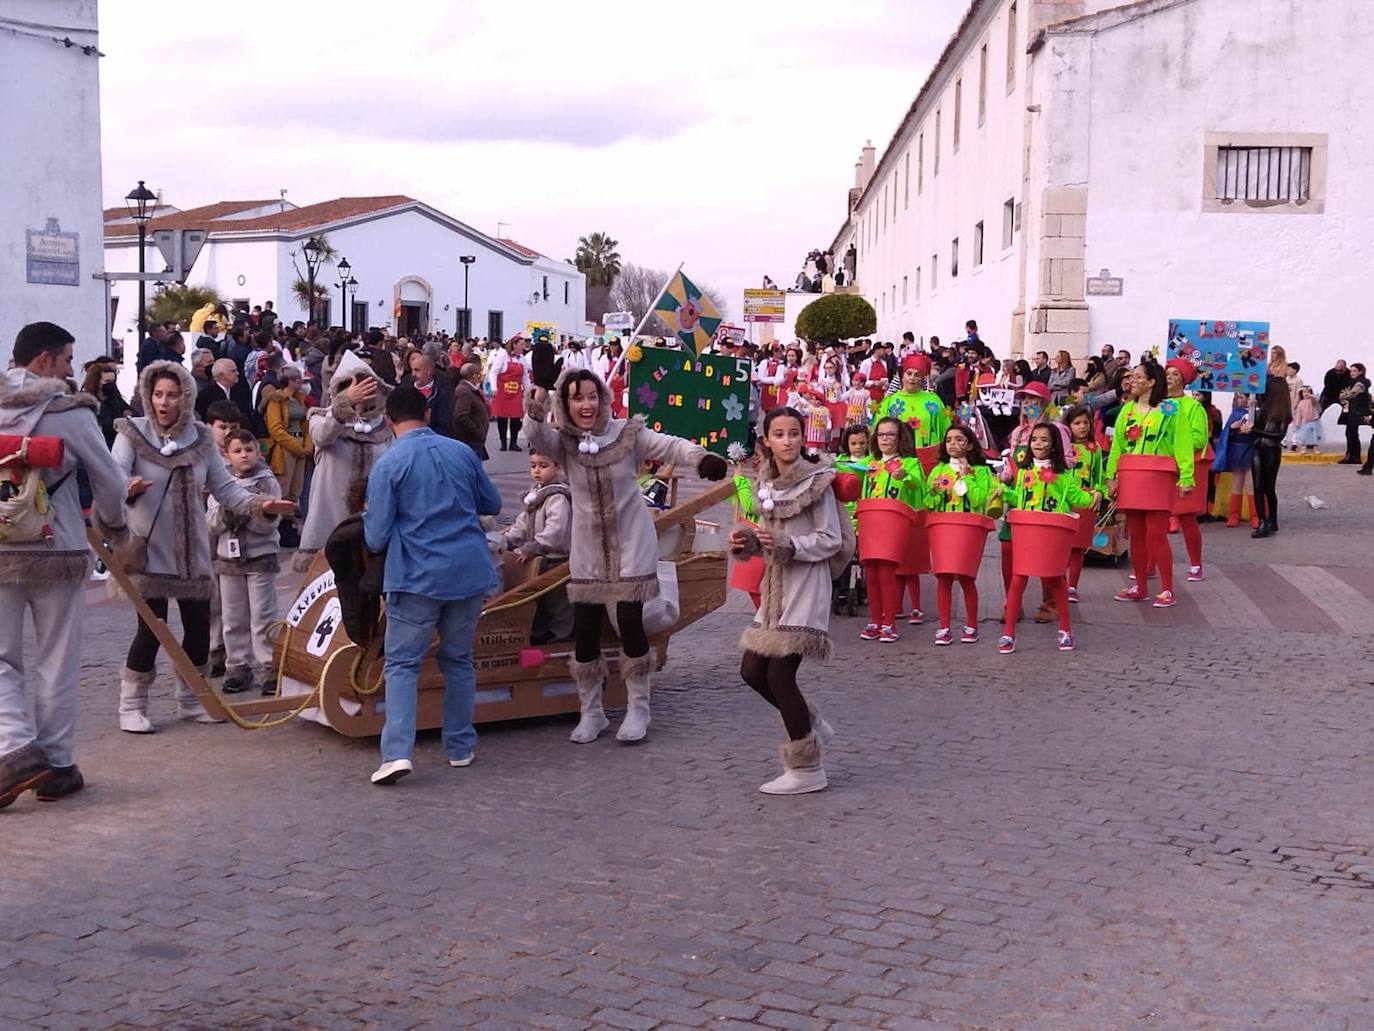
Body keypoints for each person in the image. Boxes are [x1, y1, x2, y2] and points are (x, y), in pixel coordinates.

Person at [522, 352, 728, 745]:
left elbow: (669, 445)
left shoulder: (626, 434)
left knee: (631, 621)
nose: (585, 405)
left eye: (591, 396)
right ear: (565, 405)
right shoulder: (563, 443)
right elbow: (532, 434)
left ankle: (637, 709)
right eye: (575, 398)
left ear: (602, 396)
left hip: (632, 542)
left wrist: (701, 458)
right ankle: (592, 712)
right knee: (585, 628)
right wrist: (542, 392)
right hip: (587, 549)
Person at [112, 362, 296, 732]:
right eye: (158, 394)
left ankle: (191, 699)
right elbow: (112, 474)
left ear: (186, 397)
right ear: (149, 396)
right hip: (148, 549)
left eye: (173, 395)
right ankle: (131, 705)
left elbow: (225, 488)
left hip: (193, 549)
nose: (164, 402)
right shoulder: (131, 433)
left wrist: (260, 504)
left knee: (198, 629)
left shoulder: (200, 438)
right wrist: (124, 487)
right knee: (152, 628)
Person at [0, 323, 131, 805]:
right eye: (67, 360)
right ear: (42, 361)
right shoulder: (70, 413)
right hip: (59, 550)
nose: (73, 369)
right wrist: (113, 525)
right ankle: (54, 766)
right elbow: (111, 483)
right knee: (56, 658)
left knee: (0, 659)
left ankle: (13, 749)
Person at [362, 386, 502, 785]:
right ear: (426, 412)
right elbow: (491, 503)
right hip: (469, 571)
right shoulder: (461, 451)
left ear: (388, 420)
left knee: (402, 664)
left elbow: (376, 536)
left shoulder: (389, 464)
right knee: (458, 660)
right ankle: (459, 746)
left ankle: (397, 754)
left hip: (417, 575)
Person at [729, 407, 849, 795]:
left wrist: (789, 545)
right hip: (774, 588)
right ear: (766, 439)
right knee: (752, 671)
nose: (787, 441)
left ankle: (807, 769)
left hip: (806, 586)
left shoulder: (817, 482)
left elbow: (831, 538)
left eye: (794, 433)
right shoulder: (767, 483)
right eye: (779, 434)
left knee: (781, 675)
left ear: (803, 437)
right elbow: (768, 536)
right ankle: (810, 721)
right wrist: (748, 542)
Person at [999, 423, 1099, 654]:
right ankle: (1008, 633)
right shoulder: (1024, 472)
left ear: (1054, 445)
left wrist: (1095, 494)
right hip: (1027, 532)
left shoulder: (1063, 475)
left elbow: (1076, 497)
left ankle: (1065, 630)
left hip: (1052, 534)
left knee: (1056, 580)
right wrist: (1003, 492)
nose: (1039, 445)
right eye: (1035, 440)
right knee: (1018, 580)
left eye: (1045, 440)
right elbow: (1018, 497)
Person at [1106, 361, 1194, 608]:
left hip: (1158, 475)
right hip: (1132, 474)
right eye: (1132, 377)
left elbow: (1182, 443)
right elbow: (1117, 446)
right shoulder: (1128, 410)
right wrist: (1110, 476)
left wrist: (1186, 477)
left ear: (1152, 382)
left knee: (1157, 533)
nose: (1132, 381)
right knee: (1136, 534)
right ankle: (1140, 586)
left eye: (1137, 377)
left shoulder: (1170, 409)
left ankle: (1167, 589)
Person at [296, 351, 393, 568]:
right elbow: (323, 436)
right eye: (351, 384)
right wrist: (344, 404)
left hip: (371, 513)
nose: (359, 390)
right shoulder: (321, 417)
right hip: (332, 511)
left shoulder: (383, 424)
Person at [207, 429, 282, 696]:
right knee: (233, 616)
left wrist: (252, 511)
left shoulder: (267, 482)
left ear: (258, 452)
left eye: (249, 449)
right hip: (229, 560)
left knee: (262, 615)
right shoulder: (220, 484)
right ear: (227, 456)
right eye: (237, 451)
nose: (244, 455)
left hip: (260, 557)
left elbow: (269, 524)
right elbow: (211, 523)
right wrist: (229, 511)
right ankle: (238, 665)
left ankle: (270, 665)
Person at [924, 425, 1001, 645]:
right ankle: (944, 627)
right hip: (944, 526)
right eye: (949, 440)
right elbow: (929, 504)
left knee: (967, 578)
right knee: (944, 577)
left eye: (959, 440)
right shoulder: (938, 470)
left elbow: (979, 500)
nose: (953, 444)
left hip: (968, 527)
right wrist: (934, 491)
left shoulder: (982, 471)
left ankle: (971, 626)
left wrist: (965, 478)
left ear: (968, 444)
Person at [491, 449, 573, 644]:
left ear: (558, 467)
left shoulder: (557, 497)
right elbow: (522, 524)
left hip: (556, 560)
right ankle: (540, 633)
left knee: (558, 602)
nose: (537, 471)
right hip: (540, 559)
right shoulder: (536, 494)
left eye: (543, 466)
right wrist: (508, 541)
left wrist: (534, 546)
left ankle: (560, 637)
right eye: (533, 465)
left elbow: (556, 530)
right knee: (538, 601)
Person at [857, 417, 923, 643]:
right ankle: (874, 620)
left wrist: (904, 476)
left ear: (900, 438)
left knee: (886, 572)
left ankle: (889, 623)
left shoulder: (910, 463)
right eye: (881, 434)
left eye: (890, 435)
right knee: (871, 573)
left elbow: (918, 486)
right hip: (869, 520)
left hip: (893, 521)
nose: (885, 439)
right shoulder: (870, 462)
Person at [1164, 358, 1210, 580]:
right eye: (1168, 374)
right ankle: (1151, 564)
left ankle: (1195, 564)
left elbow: (1199, 438)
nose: (1170, 378)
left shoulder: (1193, 406)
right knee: (1157, 517)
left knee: (1186, 517)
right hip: (1162, 466)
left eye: (1175, 374)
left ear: (1183, 380)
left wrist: (1174, 445)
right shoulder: (1160, 404)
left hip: (1186, 466)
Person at [261, 366, 313, 540]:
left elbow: (306, 425)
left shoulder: (300, 399)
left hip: (300, 444)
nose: (299, 382)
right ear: (287, 381)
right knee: (283, 485)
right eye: (296, 379)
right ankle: (281, 525)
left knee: (296, 488)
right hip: (285, 446)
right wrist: (297, 447)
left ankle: (289, 522)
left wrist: (307, 446)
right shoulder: (276, 400)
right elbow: (276, 429)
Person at [1061, 404, 1104, 603]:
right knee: (1062, 546)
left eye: (1086, 422)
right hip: (1063, 500)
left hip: (1085, 499)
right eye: (1077, 423)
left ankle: (1072, 586)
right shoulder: (1062, 447)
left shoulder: (1094, 449)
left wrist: (1099, 492)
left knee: (1078, 547)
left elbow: (1099, 477)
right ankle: (1058, 582)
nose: (1082, 427)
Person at [1250, 349, 1293, 539]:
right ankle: (1262, 521)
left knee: (1268, 487)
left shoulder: (1281, 414)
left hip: (1271, 449)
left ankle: (1272, 520)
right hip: (1259, 448)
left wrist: (1255, 431)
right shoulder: (1263, 411)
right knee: (1258, 486)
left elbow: (1277, 436)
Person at [872, 353, 950, 449]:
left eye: (917, 375)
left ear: (922, 378)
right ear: (902, 376)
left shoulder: (933, 401)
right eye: (909, 373)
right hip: (897, 459)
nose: (912, 378)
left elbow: (946, 431)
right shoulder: (889, 402)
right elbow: (876, 434)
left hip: (927, 458)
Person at [1211, 395, 1259, 528]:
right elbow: (1226, 433)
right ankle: (1233, 515)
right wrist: (1232, 428)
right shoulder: (1236, 413)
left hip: (1251, 450)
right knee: (1236, 485)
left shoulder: (1257, 412)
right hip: (1237, 451)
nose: (1243, 400)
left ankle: (1255, 515)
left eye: (1245, 397)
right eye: (1240, 397)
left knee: (1251, 486)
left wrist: (1252, 429)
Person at [400, 351, 454, 437]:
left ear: (428, 371)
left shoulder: (441, 394)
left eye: (417, 370)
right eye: (412, 370)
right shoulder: (403, 389)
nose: (413, 374)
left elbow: (444, 425)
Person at [80, 359, 130, 447]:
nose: (111, 385)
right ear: (97, 382)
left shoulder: (114, 399)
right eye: (107, 381)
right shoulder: (88, 403)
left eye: (113, 381)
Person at [489, 338, 528, 451]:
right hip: (502, 391)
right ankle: (503, 443)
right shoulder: (502, 356)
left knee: (516, 418)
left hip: (516, 392)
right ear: (514, 345)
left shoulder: (522, 359)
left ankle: (513, 443)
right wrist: (494, 387)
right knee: (502, 417)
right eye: (521, 344)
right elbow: (494, 372)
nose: (523, 347)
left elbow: (524, 376)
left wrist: (528, 391)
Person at [450, 362, 490, 458]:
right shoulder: (464, 391)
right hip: (470, 441)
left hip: (475, 441)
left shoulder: (469, 390)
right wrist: (476, 431)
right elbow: (461, 415)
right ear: (474, 375)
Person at [1338, 363, 1370, 465]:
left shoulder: (1362, 382)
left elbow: (1352, 393)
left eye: (1354, 371)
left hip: (1357, 411)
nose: (1352, 373)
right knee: (1350, 433)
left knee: (1352, 433)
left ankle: (1354, 456)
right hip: (1350, 410)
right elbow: (1342, 394)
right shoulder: (1351, 382)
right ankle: (1351, 455)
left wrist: (1345, 395)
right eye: (1351, 371)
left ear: (1361, 371)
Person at [1294, 387, 1323, 454]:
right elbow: (1299, 414)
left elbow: (1316, 401)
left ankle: (1315, 448)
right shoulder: (1300, 403)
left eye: (1308, 392)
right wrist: (1297, 423)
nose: (1306, 394)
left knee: (1314, 436)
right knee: (1304, 436)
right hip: (1304, 422)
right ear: (1301, 394)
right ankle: (1303, 449)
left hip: (1314, 421)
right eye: (1304, 392)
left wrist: (1312, 396)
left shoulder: (1312, 401)